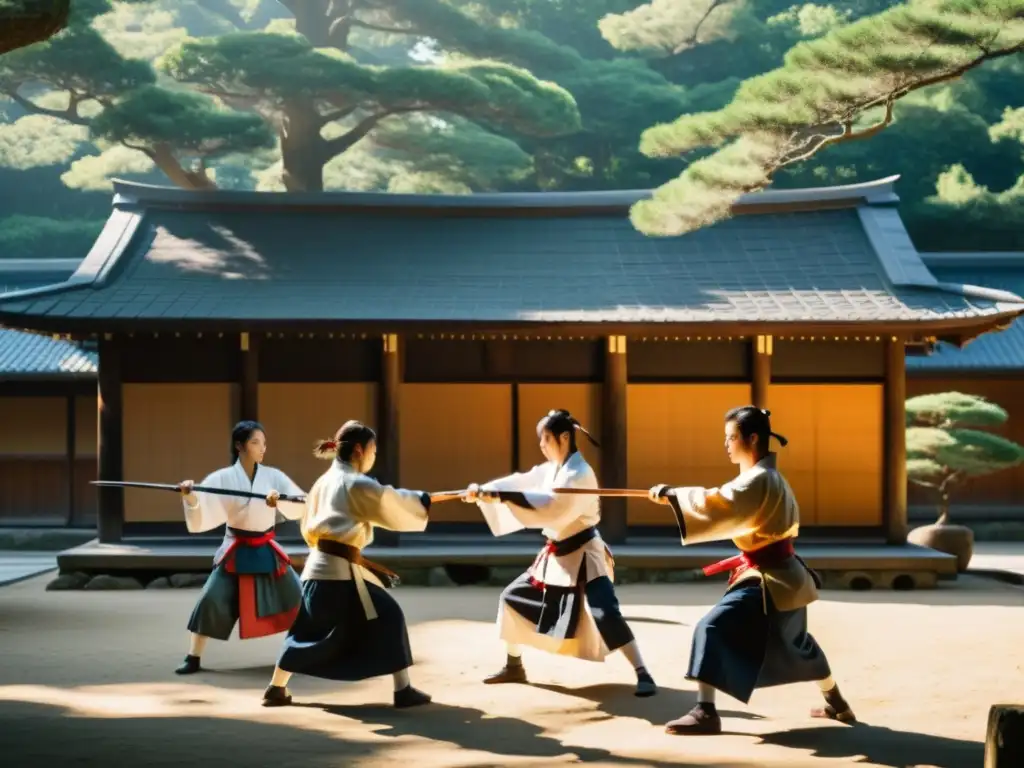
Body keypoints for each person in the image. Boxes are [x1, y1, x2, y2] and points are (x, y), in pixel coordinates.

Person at [647, 406, 856, 735]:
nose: (726, 445)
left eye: (731, 437)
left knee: (711, 628)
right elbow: (724, 498)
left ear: (752, 438)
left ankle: (705, 711)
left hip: (768, 577)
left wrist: (673, 496)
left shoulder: (758, 480)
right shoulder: (765, 478)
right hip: (786, 575)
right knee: (797, 643)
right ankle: (838, 703)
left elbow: (721, 503)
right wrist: (674, 497)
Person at [463, 409, 657, 697]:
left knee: (605, 611)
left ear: (564, 437)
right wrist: (484, 490)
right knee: (511, 597)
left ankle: (643, 672)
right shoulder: (551, 469)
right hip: (555, 556)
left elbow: (553, 507)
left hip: (585, 553)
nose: (541, 444)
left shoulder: (579, 473)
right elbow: (522, 482)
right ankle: (514, 665)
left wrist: (501, 497)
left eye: (545, 438)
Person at [261, 420, 433, 709]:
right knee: (387, 616)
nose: (373, 456)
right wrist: (422, 500)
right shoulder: (354, 483)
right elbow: (388, 500)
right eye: (373, 450)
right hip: (338, 574)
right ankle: (403, 690)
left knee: (309, 628)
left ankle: (276, 688)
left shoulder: (322, 482)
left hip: (321, 570)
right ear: (358, 450)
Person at [174, 420, 307, 675]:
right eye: (256, 442)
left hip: (265, 547)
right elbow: (202, 506)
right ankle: (193, 657)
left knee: (298, 597)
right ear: (239, 445)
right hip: (236, 548)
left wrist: (279, 500)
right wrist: (190, 495)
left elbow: (300, 501)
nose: (262, 448)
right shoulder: (222, 478)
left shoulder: (274, 477)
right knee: (211, 599)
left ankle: (306, 650)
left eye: (264, 443)